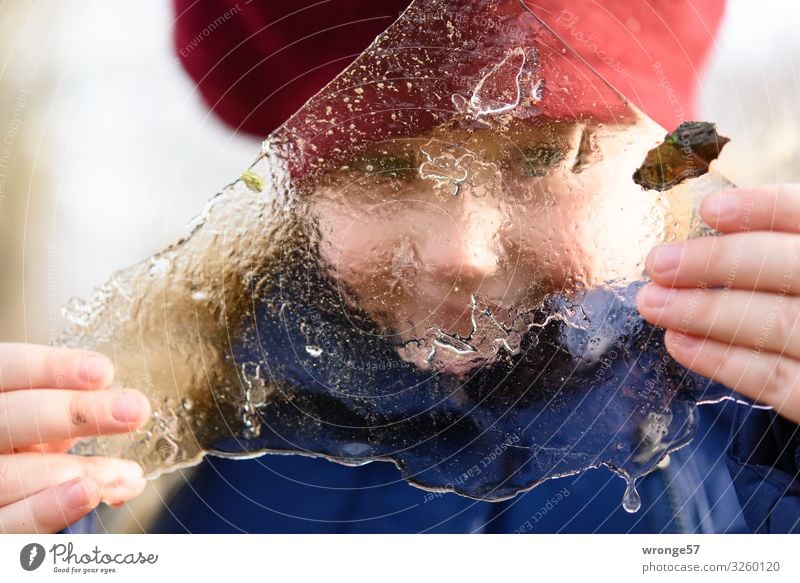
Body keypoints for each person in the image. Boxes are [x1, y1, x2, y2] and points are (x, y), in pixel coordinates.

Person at [1, 0, 798, 533]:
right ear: (297, 188)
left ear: (661, 157)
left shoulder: (765, 434)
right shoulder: (149, 468)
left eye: (544, 155)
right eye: (383, 170)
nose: (462, 251)